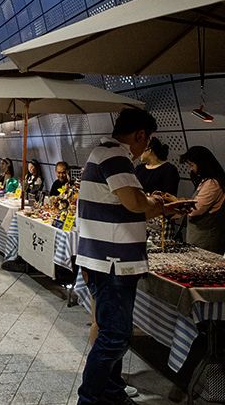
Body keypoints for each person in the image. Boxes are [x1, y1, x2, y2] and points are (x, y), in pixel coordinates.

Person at [76, 109, 183, 404]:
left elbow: (133, 204)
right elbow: (135, 203)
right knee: (114, 336)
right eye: (145, 141)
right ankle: (89, 399)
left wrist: (156, 205)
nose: (143, 149)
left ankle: (112, 393)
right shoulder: (114, 155)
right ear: (140, 135)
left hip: (110, 260)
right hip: (113, 262)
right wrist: (158, 204)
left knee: (114, 333)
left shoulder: (105, 153)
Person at [179, 146, 225, 253]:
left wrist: (176, 204)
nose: (191, 169)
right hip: (198, 238)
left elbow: (195, 209)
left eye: (192, 165)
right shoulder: (205, 181)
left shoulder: (212, 184)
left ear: (202, 164)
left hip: (206, 240)